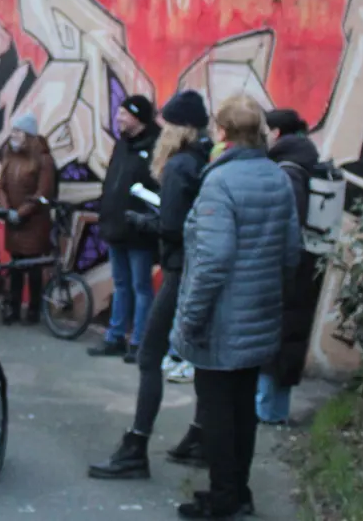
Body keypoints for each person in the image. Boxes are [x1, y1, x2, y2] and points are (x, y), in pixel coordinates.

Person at [173, 94, 300, 520]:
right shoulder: (277, 177)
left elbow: (213, 260)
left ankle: (224, 498)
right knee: (242, 408)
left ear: (223, 132)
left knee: (216, 411)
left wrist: (190, 320)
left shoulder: (220, 181)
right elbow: (290, 252)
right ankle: (235, 492)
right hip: (260, 313)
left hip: (221, 321)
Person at [89, 90, 214, 479]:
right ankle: (199, 435)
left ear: (179, 128)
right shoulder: (205, 159)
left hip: (179, 268)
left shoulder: (178, 167)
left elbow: (173, 226)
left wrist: (142, 221)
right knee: (204, 357)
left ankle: (136, 447)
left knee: (149, 358)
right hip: (200, 267)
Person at [260, 108, 321, 426]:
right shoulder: (307, 159)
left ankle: (267, 411)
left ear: (277, 133)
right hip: (308, 264)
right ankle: (273, 409)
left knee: (277, 337)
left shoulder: (288, 169)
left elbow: (288, 223)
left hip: (289, 267)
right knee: (290, 335)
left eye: (266, 130)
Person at [89, 94, 162, 359]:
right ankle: (115, 337)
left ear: (138, 118)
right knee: (120, 284)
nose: (118, 118)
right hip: (116, 227)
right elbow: (112, 182)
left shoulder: (155, 146)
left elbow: (157, 190)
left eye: (123, 114)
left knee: (141, 287)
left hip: (140, 231)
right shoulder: (122, 145)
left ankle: (139, 341)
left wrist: (141, 217)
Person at [0, 113, 56, 325]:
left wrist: (21, 213)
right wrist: (6, 210)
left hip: (34, 223)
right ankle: (13, 308)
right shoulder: (10, 154)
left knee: (34, 267)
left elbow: (43, 193)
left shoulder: (43, 159)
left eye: (18, 131)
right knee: (16, 266)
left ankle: (33, 310)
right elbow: (1, 185)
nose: (13, 135)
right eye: (13, 131)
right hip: (13, 222)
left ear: (29, 135)